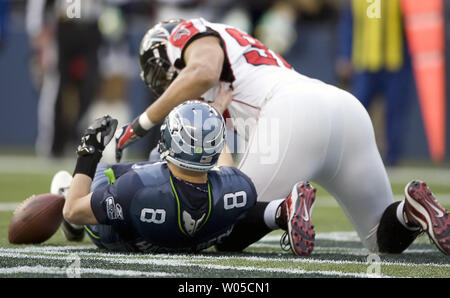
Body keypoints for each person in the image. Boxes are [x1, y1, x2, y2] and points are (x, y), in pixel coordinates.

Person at [114, 18, 449, 256]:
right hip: (344, 110)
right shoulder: (234, 75)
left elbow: (202, 72)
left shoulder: (194, 33)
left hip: (294, 113)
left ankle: (285, 209)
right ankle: (412, 210)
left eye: (159, 72)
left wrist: (140, 124)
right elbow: (227, 163)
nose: (163, 84)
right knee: (382, 240)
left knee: (223, 230)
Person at [56, 100, 260, 253]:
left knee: (101, 170)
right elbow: (225, 170)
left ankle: (66, 192)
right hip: (190, 236)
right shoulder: (241, 187)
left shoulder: (135, 188)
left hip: (129, 238)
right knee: (154, 157)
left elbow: (72, 211)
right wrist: (212, 122)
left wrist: (90, 150)